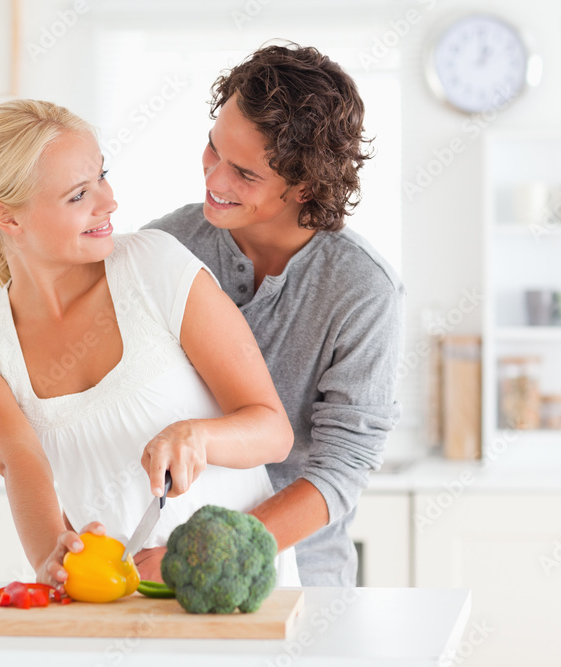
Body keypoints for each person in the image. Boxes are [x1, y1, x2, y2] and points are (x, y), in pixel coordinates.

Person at [0, 99, 301, 588]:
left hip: (238, 591)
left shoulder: (155, 266)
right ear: (7, 218)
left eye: (102, 176)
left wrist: (199, 435)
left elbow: (274, 432)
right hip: (114, 604)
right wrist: (54, 561)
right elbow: (22, 464)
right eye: (77, 195)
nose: (108, 202)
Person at [143, 43, 405, 586]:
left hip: (298, 576)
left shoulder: (361, 289)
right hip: (153, 561)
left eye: (244, 173)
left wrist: (204, 556)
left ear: (305, 184)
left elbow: (340, 469)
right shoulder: (167, 245)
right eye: (213, 150)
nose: (213, 179)